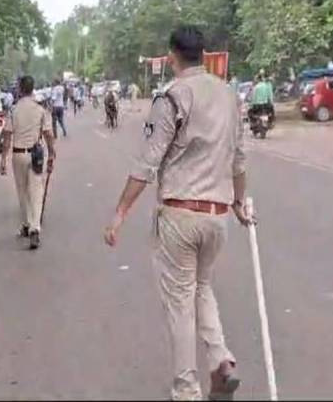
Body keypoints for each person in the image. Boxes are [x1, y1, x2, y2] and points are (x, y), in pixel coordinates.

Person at [102, 25, 249, 401]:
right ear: (203, 54)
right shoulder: (230, 96)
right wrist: (239, 203)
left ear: (171, 56)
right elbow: (239, 159)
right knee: (201, 287)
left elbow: (146, 164)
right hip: (217, 215)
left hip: (180, 214)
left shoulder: (172, 98)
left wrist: (120, 212)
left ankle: (187, 388)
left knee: (179, 302)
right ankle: (220, 358)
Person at [0, 75, 56, 250]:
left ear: (19, 89)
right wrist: (52, 153)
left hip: (18, 155)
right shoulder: (40, 110)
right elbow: (48, 134)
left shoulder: (13, 110)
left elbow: (7, 136)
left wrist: (3, 160)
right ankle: (34, 229)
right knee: (36, 192)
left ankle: (27, 224)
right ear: (32, 89)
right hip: (36, 155)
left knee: (22, 192)